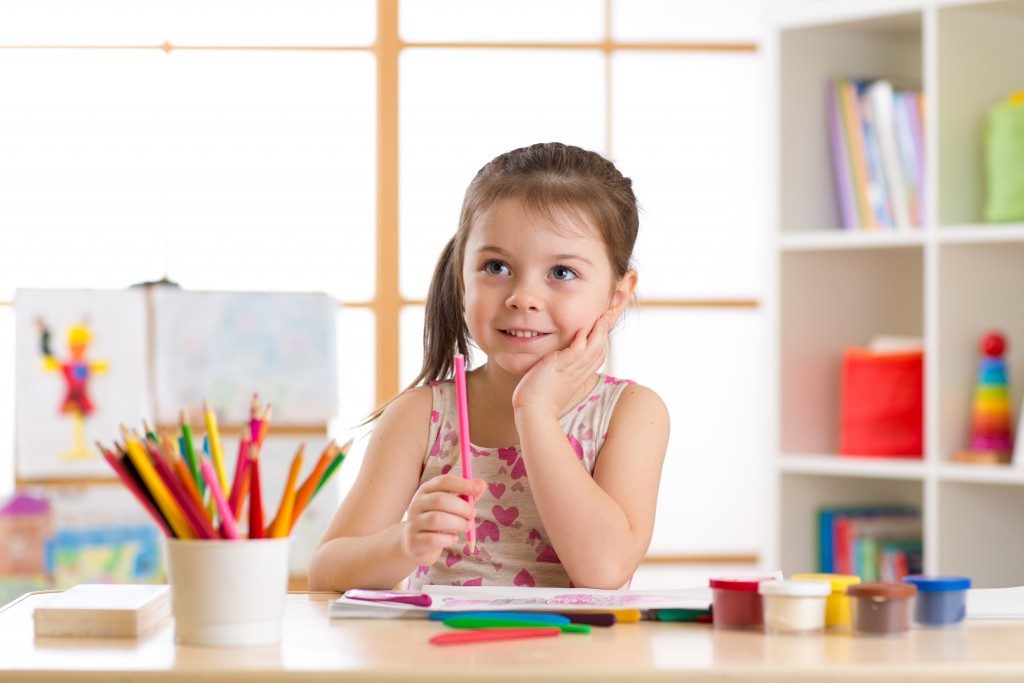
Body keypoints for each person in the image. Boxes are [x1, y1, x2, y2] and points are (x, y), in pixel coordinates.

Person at [309, 142, 669, 591]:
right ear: (461, 279)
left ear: (616, 296)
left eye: (562, 273)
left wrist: (534, 412)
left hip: (575, 660)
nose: (522, 297)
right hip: (441, 659)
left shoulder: (629, 412)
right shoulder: (422, 416)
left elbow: (604, 571)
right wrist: (404, 543)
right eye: (495, 266)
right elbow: (326, 570)